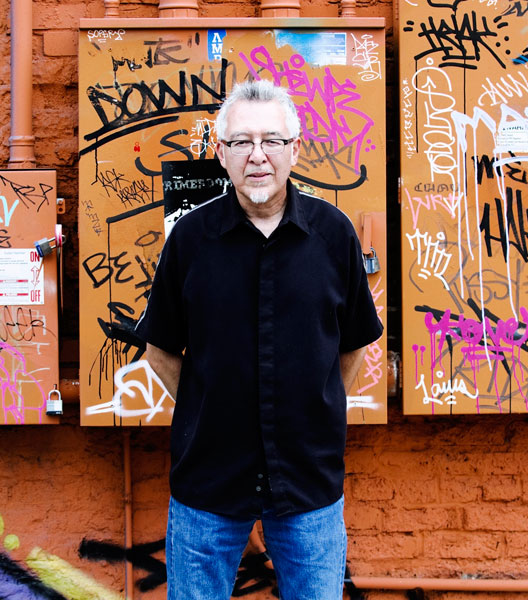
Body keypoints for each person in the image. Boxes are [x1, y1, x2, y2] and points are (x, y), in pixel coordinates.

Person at [135, 79, 383, 599]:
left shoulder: (334, 235)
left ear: (295, 149)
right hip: (209, 478)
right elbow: (159, 348)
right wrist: (212, 409)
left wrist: (315, 410)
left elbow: (354, 344)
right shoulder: (191, 240)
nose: (257, 156)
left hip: (308, 481)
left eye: (272, 140)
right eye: (241, 142)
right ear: (220, 153)